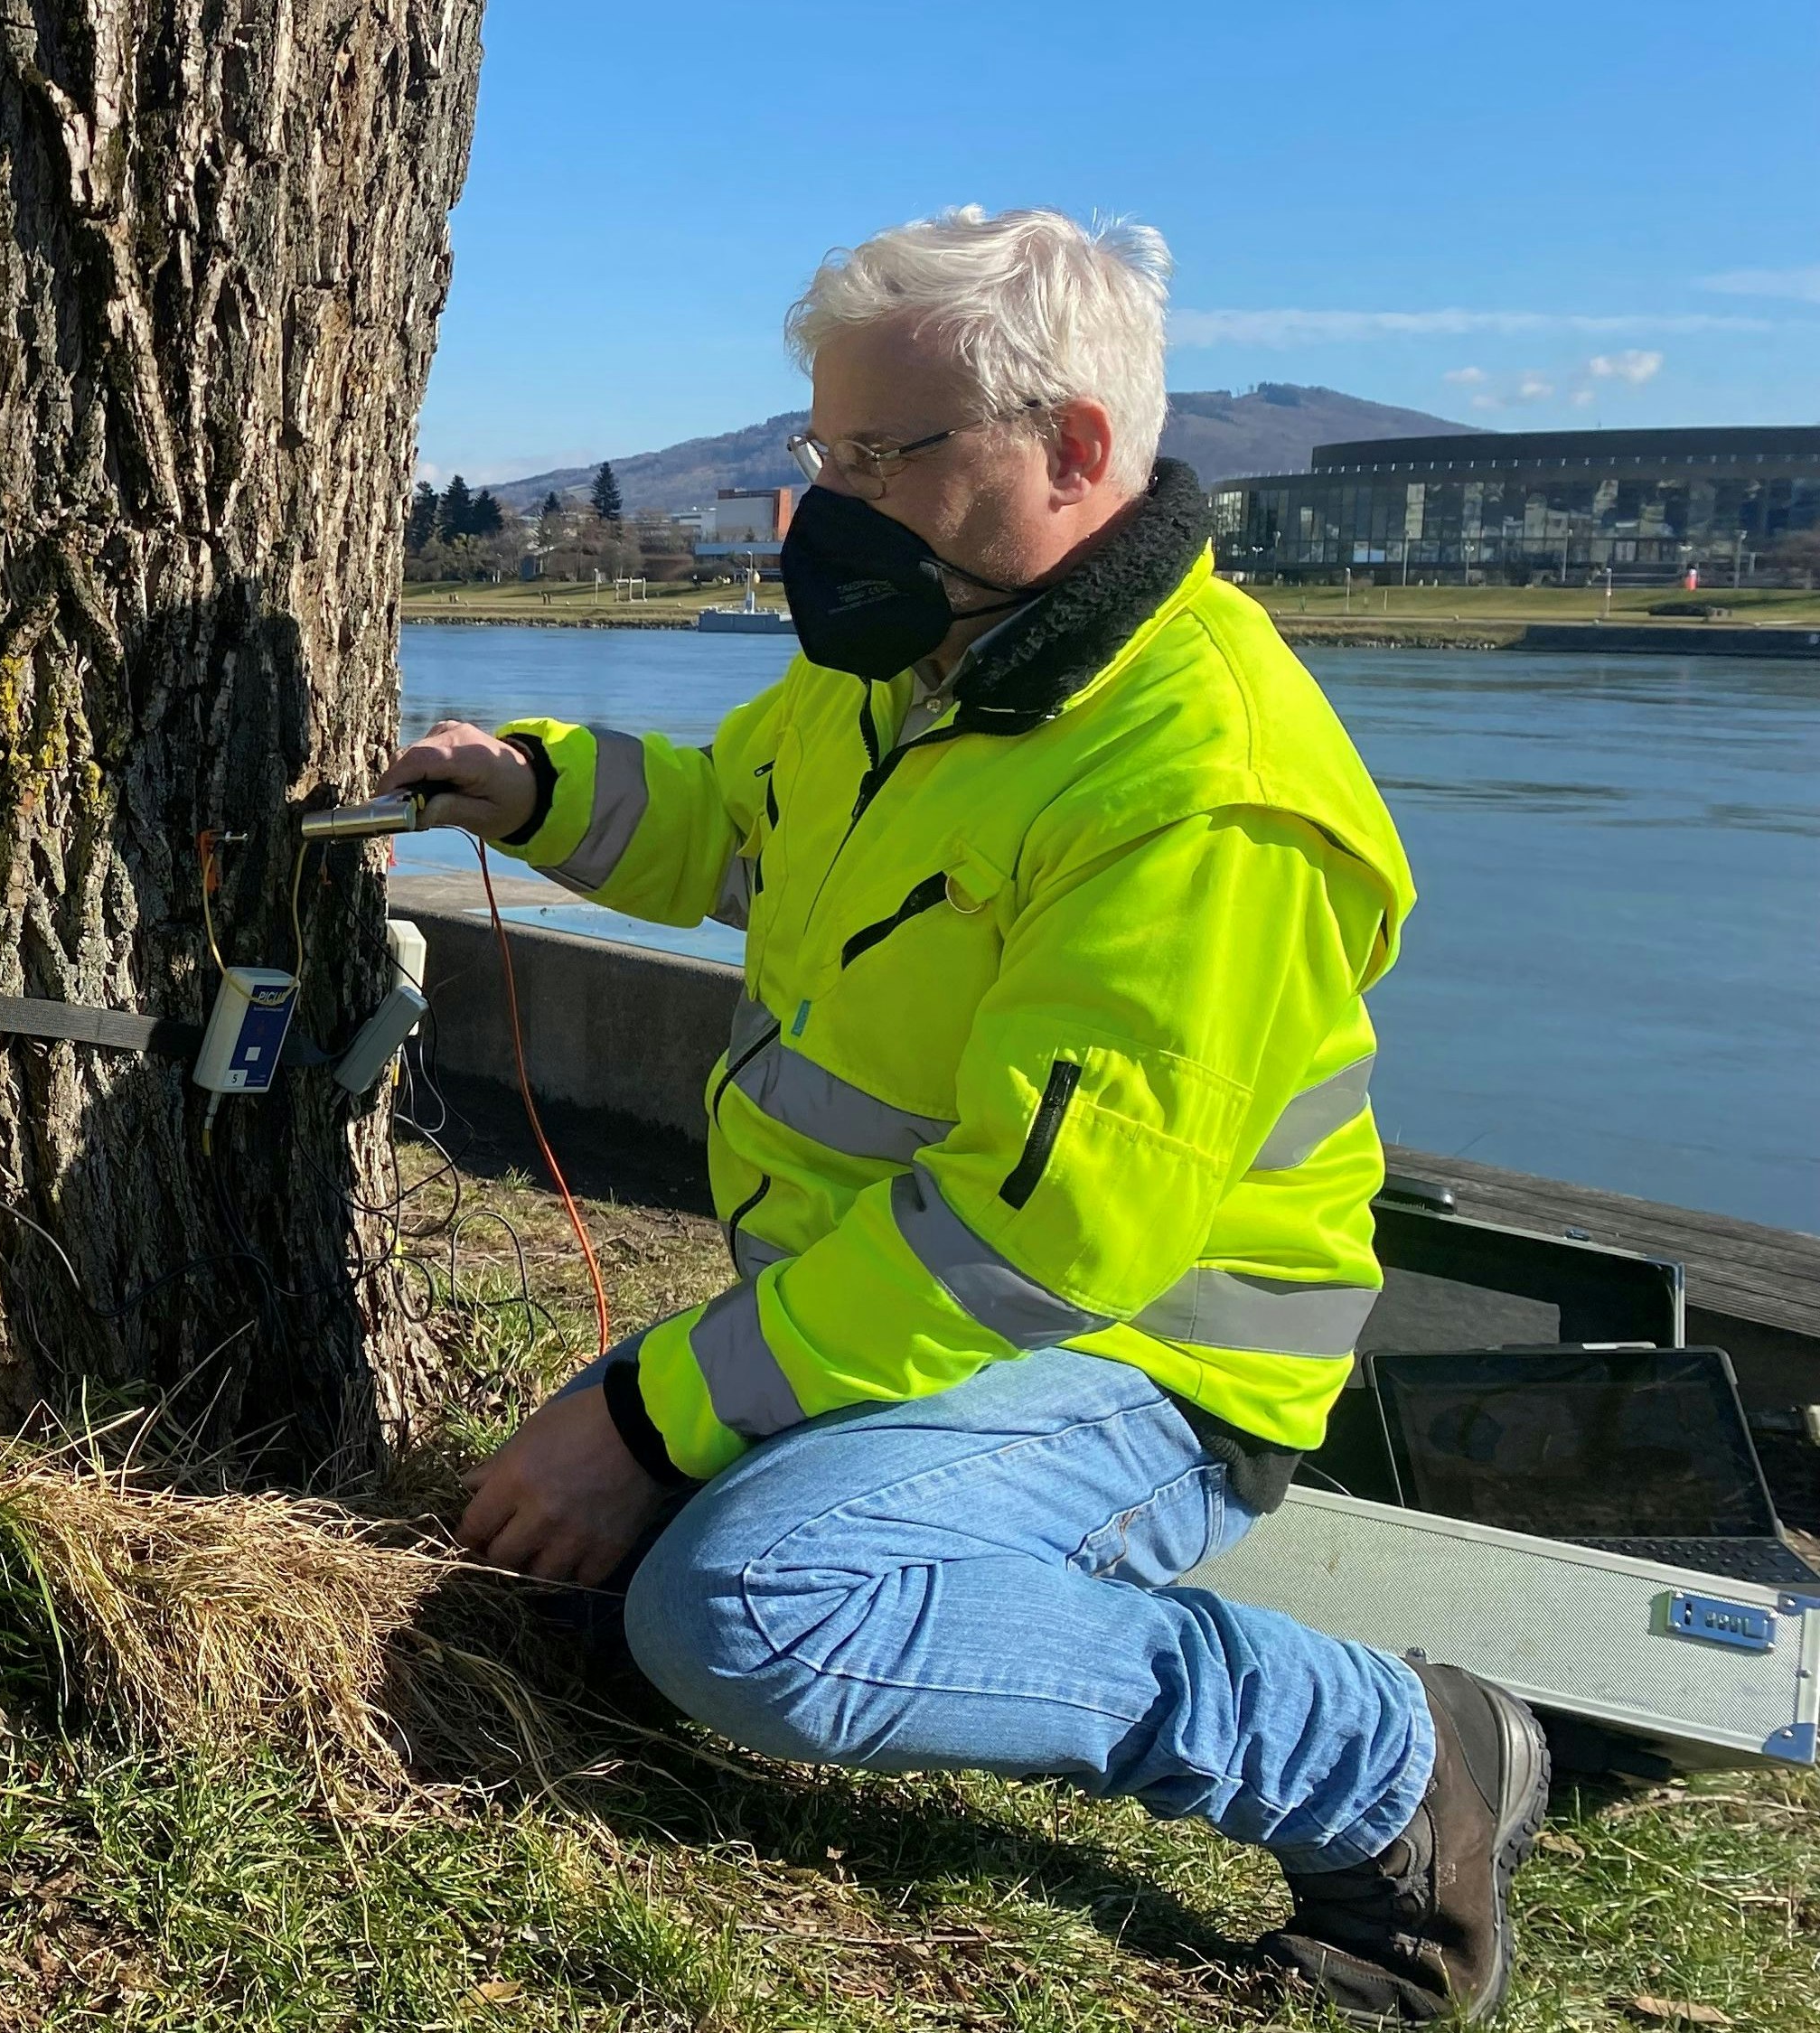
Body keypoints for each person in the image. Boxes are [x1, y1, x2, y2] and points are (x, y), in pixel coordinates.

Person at [384, 208, 1541, 2028]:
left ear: (1071, 447)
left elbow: (1036, 1239)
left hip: (1145, 1351)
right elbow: (733, 823)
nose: (823, 504)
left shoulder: (1196, 782)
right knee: (692, 1570)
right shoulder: (910, 647)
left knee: (746, 1614)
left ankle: (1394, 1770)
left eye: (877, 456)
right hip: (901, 1304)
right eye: (816, 454)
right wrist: (534, 787)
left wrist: (643, 1414)